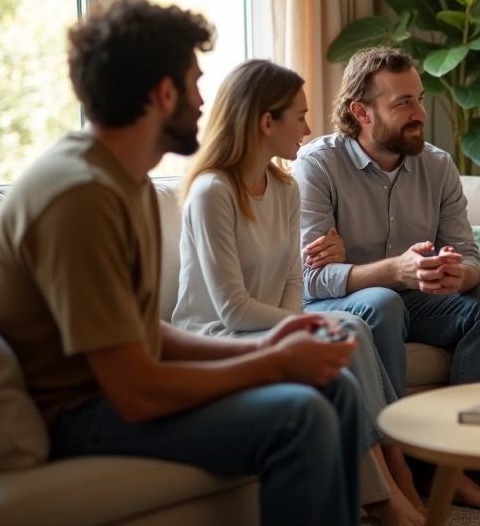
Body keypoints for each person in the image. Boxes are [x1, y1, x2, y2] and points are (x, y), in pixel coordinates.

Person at [0, 0, 369, 525]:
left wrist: (272, 341)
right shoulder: (80, 196)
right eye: (195, 83)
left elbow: (145, 334)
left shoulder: (118, 177)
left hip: (106, 392)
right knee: (301, 416)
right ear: (163, 93)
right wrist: (270, 364)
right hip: (75, 413)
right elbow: (134, 391)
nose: (204, 100)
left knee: (334, 388)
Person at [171, 59, 425, 525]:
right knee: (345, 325)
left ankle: (393, 480)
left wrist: (298, 330)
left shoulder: (285, 187)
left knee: (344, 338)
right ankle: (388, 489)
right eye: (300, 116)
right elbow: (230, 309)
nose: (309, 128)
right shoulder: (213, 191)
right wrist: (305, 326)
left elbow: (292, 281)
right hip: (214, 335)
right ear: (266, 121)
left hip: (267, 328)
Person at [293, 44, 480, 511]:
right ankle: (398, 472)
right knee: (382, 301)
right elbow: (307, 280)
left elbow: (470, 256)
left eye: (419, 98)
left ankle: (452, 465)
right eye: (403, 103)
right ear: (361, 112)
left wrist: (458, 274)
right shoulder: (318, 165)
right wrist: (395, 271)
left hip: (416, 300)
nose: (420, 113)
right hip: (342, 307)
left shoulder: (437, 166)